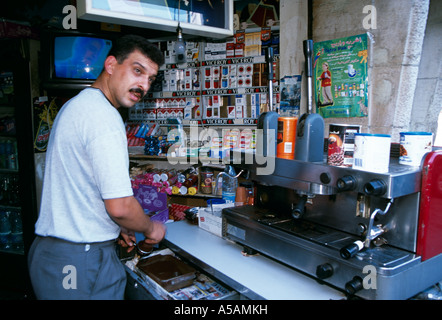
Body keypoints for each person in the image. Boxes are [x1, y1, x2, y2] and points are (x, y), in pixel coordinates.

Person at [28, 34, 166, 300]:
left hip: (67, 253)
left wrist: (115, 227)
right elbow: (121, 206)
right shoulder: (104, 118)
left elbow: (84, 189)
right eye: (137, 71)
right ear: (111, 65)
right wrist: (150, 228)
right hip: (77, 258)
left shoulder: (80, 105)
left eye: (150, 78)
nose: (143, 85)